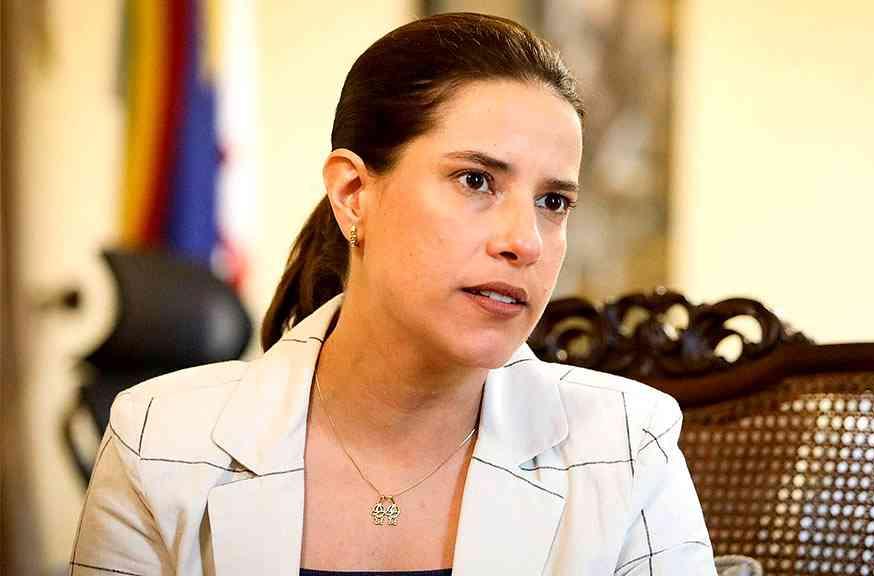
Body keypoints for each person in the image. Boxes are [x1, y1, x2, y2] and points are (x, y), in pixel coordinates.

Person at [70, 12, 715, 575]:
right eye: (476, 180)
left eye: (553, 202)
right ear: (354, 194)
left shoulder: (626, 446)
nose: (526, 241)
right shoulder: (159, 438)